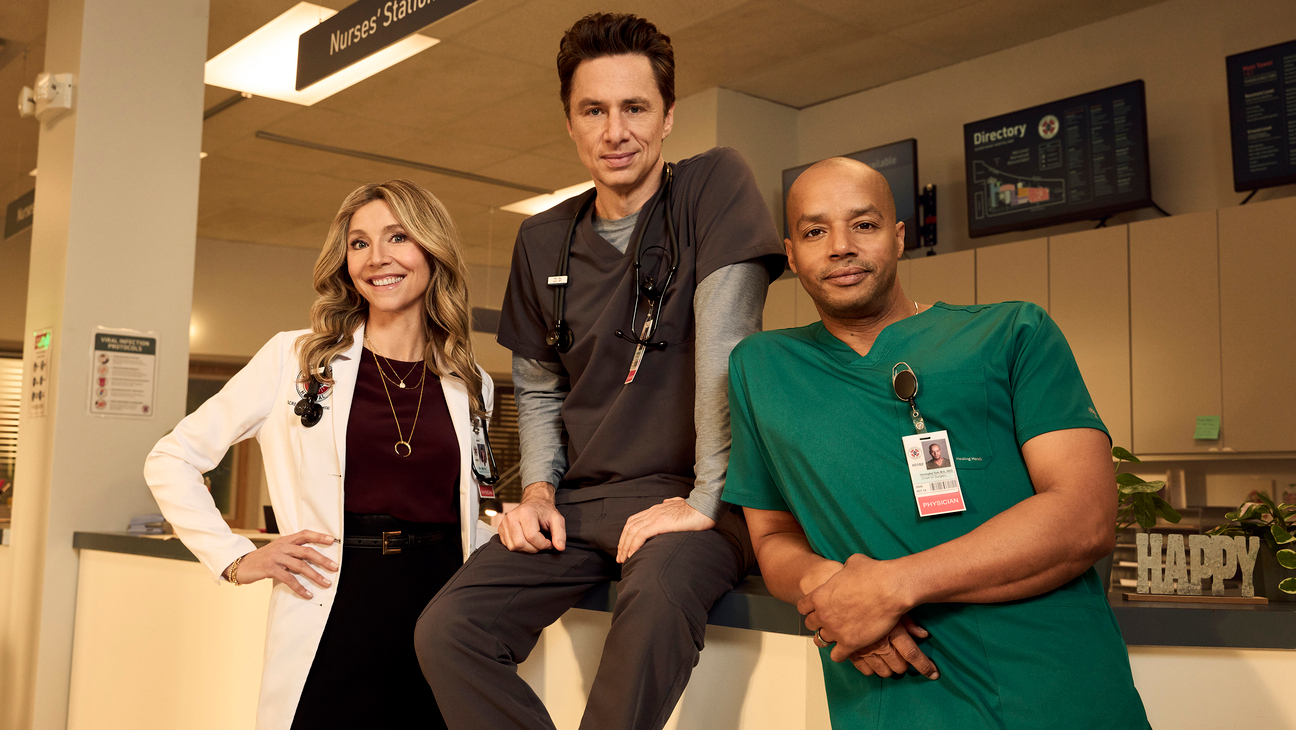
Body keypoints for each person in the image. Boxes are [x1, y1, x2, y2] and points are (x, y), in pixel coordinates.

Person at [415, 13, 790, 730]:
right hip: (583, 505)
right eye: (593, 110)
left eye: (635, 108)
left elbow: (728, 347)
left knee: (653, 610)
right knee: (449, 629)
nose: (615, 131)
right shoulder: (543, 239)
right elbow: (539, 387)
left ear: (668, 115)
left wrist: (706, 498)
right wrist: (537, 491)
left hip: (699, 501)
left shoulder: (713, 187)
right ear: (570, 123)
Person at [723, 157, 1150, 728]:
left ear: (899, 238)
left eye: (864, 225)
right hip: (894, 695)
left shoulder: (1012, 333)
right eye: (815, 231)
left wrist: (889, 588)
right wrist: (828, 589)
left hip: (1056, 683)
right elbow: (773, 535)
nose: (841, 247)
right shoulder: (763, 368)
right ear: (792, 253)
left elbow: (1086, 516)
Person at [144, 180, 494, 730]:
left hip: (440, 604)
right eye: (359, 243)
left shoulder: (469, 381)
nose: (376, 258)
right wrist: (234, 558)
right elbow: (172, 458)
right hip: (335, 596)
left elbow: (469, 509)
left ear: (433, 250)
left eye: (397, 237)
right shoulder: (295, 358)